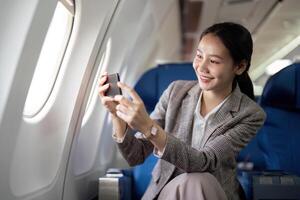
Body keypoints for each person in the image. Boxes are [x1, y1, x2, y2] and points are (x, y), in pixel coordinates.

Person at [98, 22, 266, 200]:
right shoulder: (175, 93)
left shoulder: (250, 114)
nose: (201, 68)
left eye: (214, 61)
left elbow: (204, 162)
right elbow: (135, 155)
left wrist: (149, 127)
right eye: (199, 56)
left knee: (198, 180)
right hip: (166, 193)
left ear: (239, 67)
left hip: (212, 194)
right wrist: (116, 115)